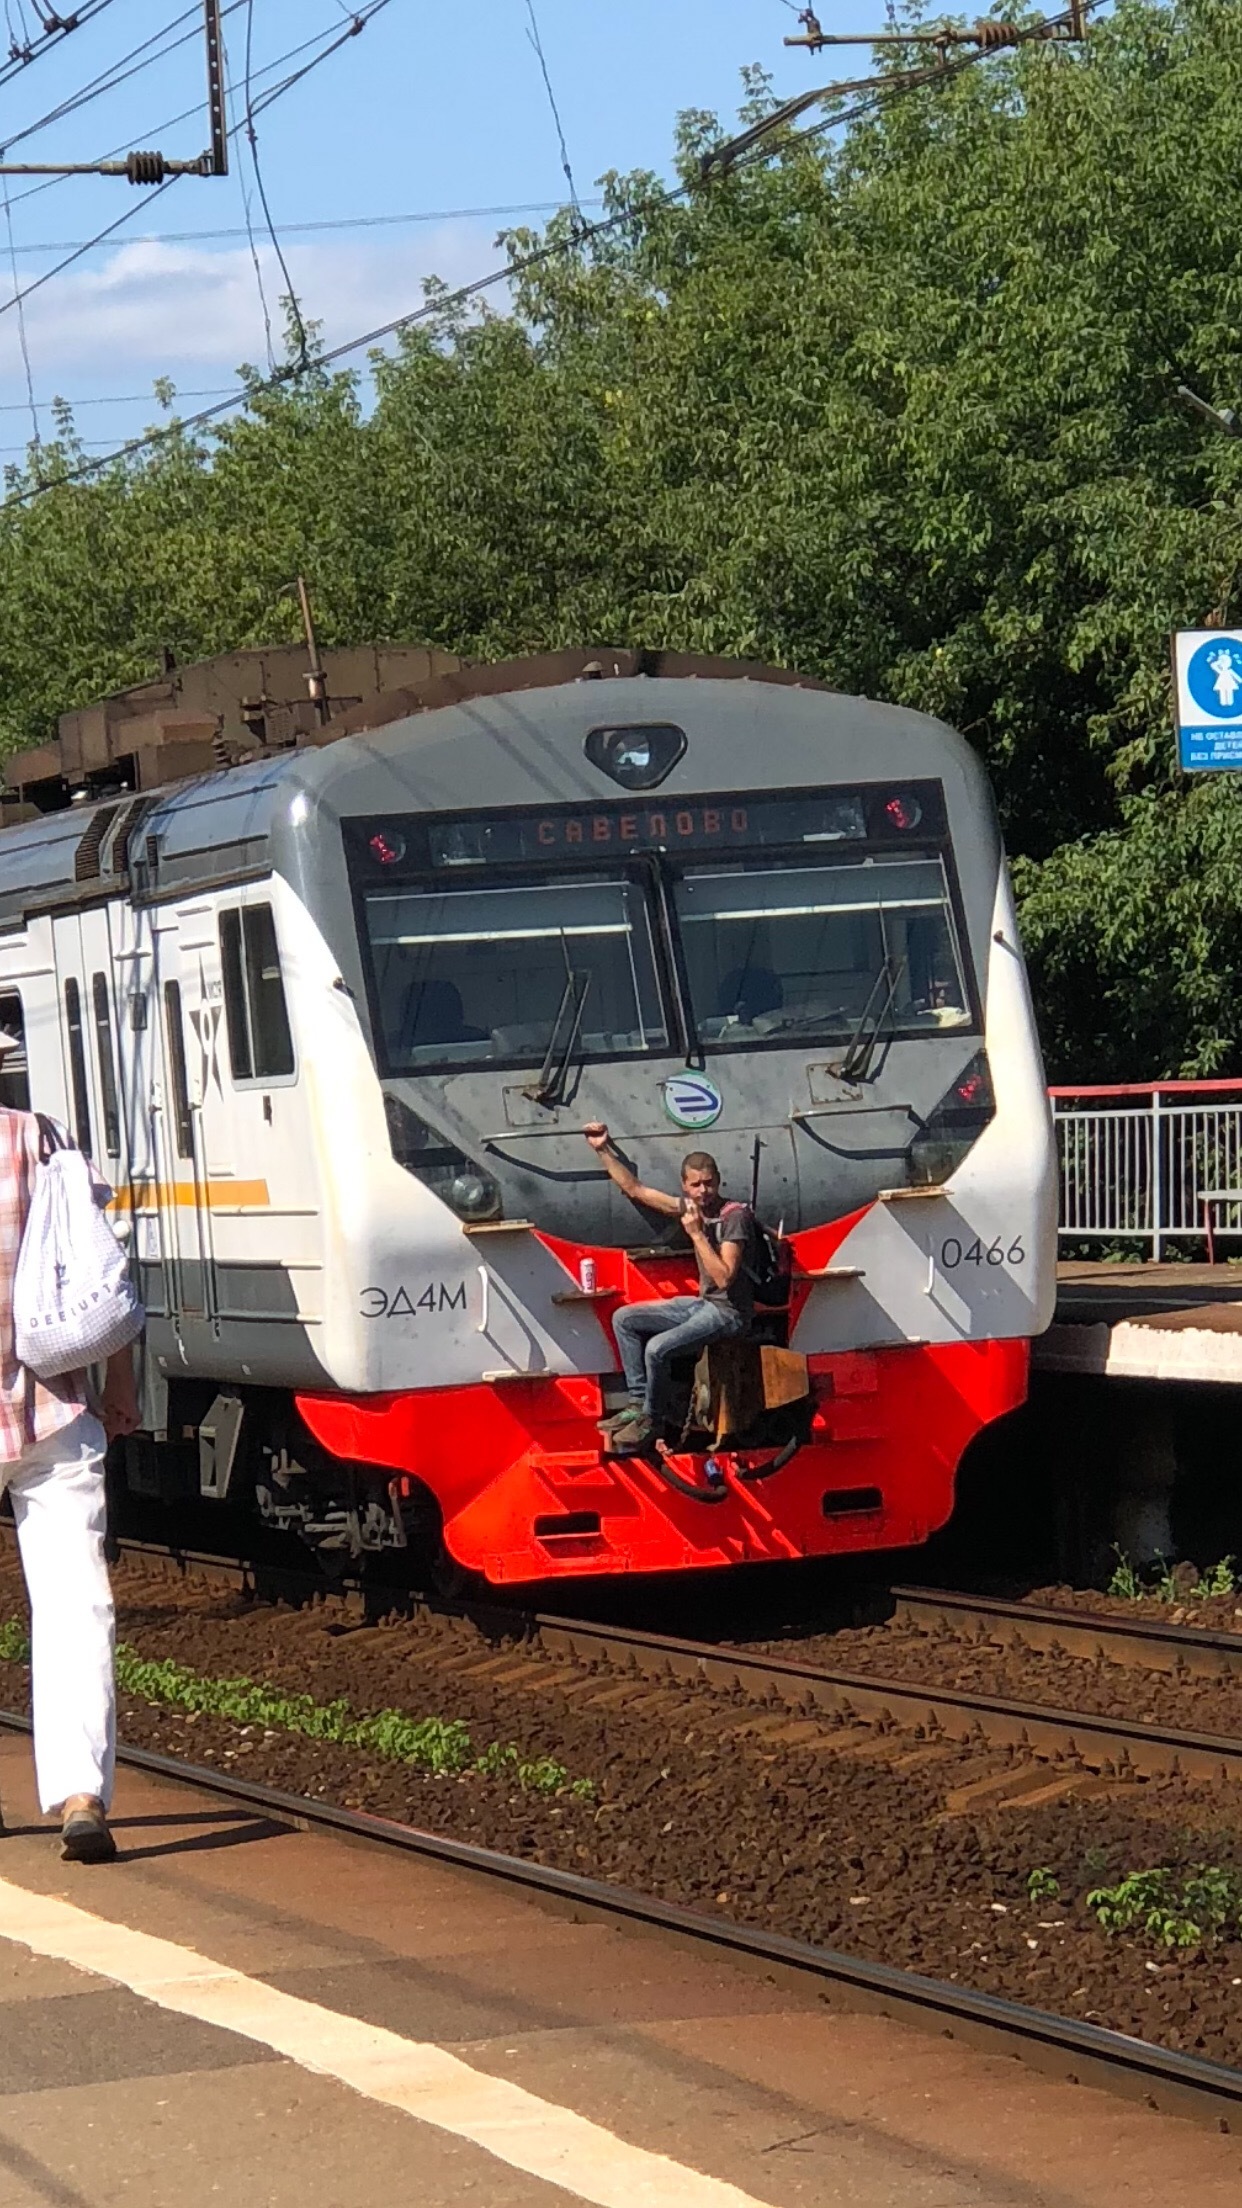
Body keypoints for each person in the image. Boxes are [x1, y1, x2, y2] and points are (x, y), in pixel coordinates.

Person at [0, 1072, 141, 1862]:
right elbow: (104, 1270)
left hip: (47, 1412)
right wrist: (120, 1383)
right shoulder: (40, 1137)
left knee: (77, 1608)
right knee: (78, 1608)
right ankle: (80, 1796)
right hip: (53, 1405)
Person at [583, 1122, 755, 1454]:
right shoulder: (690, 1208)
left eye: (708, 1184)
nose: (703, 1191)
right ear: (685, 1186)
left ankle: (652, 1420)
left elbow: (724, 1277)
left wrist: (696, 1235)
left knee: (657, 1349)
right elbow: (634, 1189)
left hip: (729, 1313)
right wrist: (602, 1149)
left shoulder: (734, 1217)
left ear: (718, 1182)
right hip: (705, 1305)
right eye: (695, 1185)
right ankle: (636, 1402)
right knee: (624, 1318)